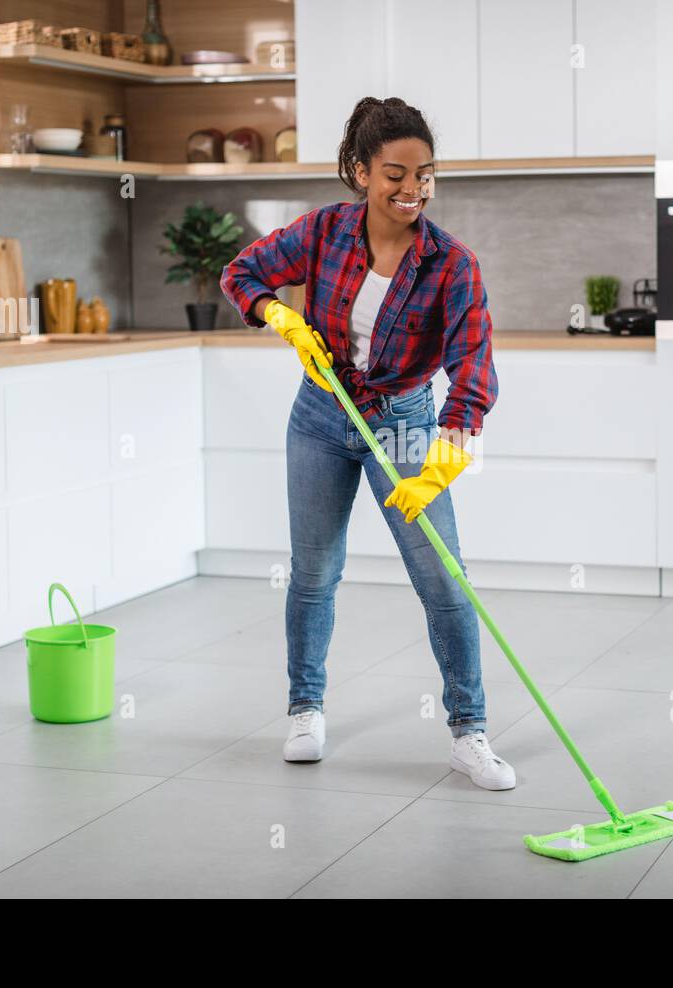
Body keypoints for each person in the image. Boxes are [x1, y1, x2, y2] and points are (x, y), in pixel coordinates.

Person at [219, 96, 513, 790]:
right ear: (359, 171)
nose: (413, 188)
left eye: (426, 173)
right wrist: (281, 319)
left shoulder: (452, 266)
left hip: (404, 420)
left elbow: (472, 371)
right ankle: (305, 709)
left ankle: (469, 733)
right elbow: (244, 274)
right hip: (321, 416)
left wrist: (439, 464)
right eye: (395, 174)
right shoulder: (324, 232)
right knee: (314, 573)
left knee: (443, 579)